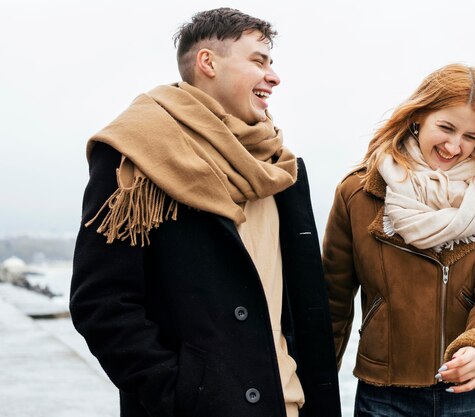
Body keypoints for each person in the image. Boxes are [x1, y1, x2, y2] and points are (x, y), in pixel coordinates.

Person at [70, 8, 341, 417]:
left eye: (272, 63)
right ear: (208, 62)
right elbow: (102, 301)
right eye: (258, 61)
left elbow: (300, 308)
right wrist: (182, 393)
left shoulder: (279, 168)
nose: (274, 76)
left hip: (290, 404)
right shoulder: (137, 155)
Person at [323, 63, 475, 417]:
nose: (454, 146)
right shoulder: (358, 193)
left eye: (470, 137)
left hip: (466, 392)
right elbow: (332, 298)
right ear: (419, 116)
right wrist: (314, 385)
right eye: (446, 128)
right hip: (382, 393)